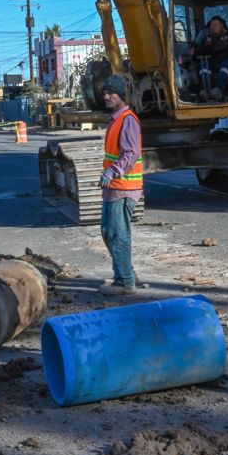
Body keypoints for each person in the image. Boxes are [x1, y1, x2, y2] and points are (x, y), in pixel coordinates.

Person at [98, 75, 145, 296]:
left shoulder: (127, 119)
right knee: (108, 232)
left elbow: (131, 152)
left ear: (121, 96)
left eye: (111, 93)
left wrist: (113, 170)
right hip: (115, 186)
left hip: (124, 186)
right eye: (105, 93)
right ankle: (127, 274)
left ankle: (124, 282)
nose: (106, 96)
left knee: (118, 233)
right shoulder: (116, 119)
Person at [188, 15, 228, 100]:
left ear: (221, 26)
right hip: (210, 61)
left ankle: (218, 89)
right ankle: (204, 91)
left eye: (216, 24)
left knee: (226, 65)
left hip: (224, 60)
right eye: (212, 25)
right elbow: (199, 52)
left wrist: (214, 47)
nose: (214, 27)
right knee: (202, 66)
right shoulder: (206, 38)